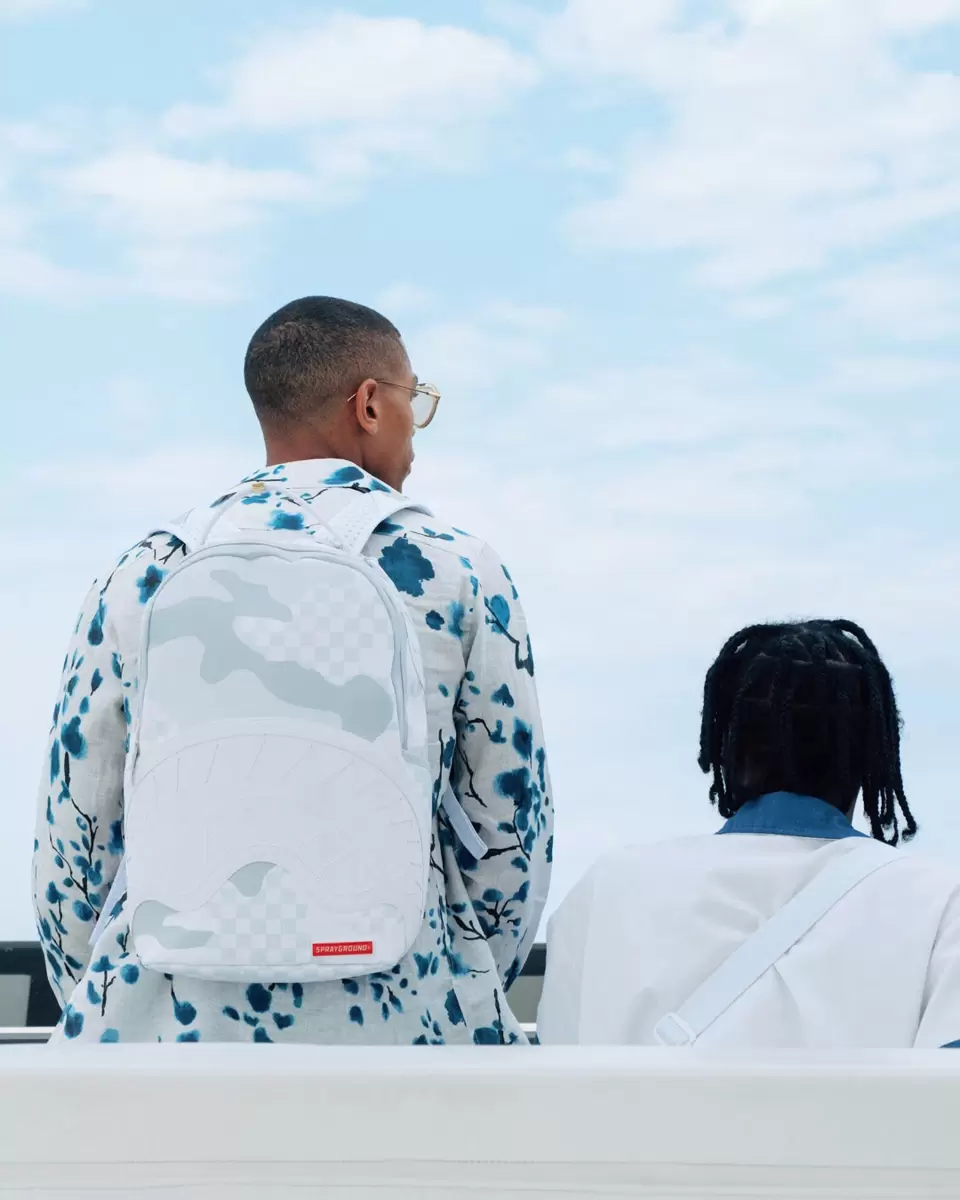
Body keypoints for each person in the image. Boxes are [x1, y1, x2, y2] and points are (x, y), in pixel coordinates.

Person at [33, 295, 553, 1045]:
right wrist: (463, 976)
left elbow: (76, 835)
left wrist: (105, 992)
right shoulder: (460, 570)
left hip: (163, 1038)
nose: (417, 429)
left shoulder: (143, 571)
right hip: (409, 1031)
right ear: (369, 405)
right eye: (415, 402)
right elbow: (513, 830)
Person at [537, 619, 960, 1048]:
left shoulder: (604, 891)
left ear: (727, 745)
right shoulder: (941, 904)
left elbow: (556, 1069)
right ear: (872, 756)